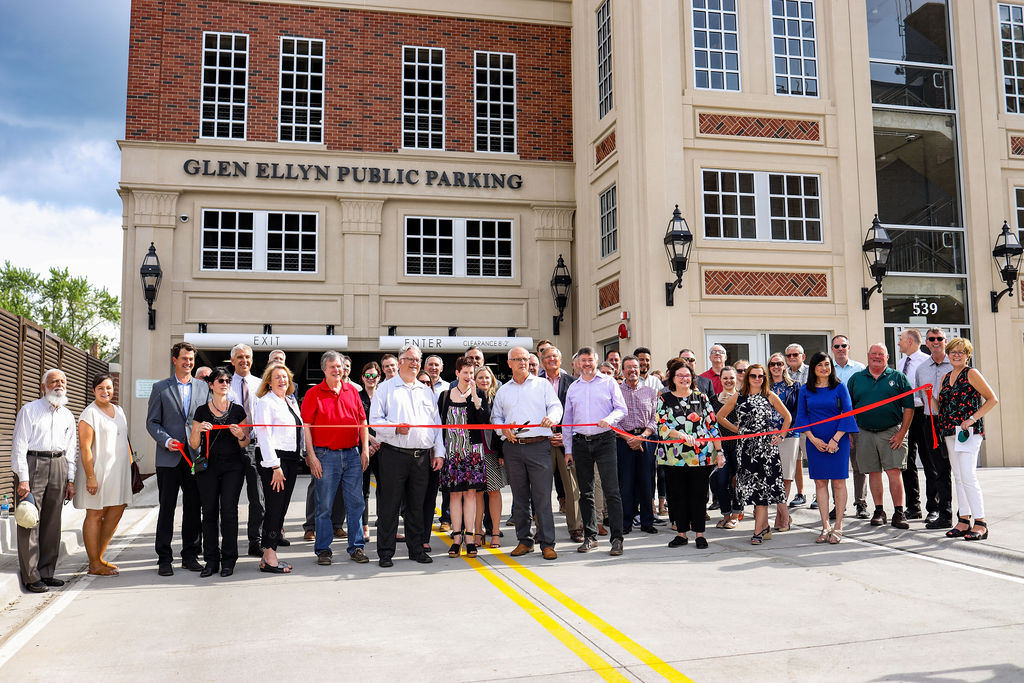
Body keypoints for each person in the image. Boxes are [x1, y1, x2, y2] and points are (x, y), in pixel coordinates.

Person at [369, 344, 445, 567]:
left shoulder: (426, 391)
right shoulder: (386, 388)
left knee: (416, 506)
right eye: (410, 359)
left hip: (421, 457)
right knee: (389, 506)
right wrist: (394, 428)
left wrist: (438, 452)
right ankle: (385, 552)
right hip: (394, 455)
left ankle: (416, 549)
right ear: (400, 361)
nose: (414, 363)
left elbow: (436, 425)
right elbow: (375, 421)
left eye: (417, 360)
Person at [491, 346, 563, 560]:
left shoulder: (542, 385)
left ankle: (548, 543)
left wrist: (552, 418)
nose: (522, 362)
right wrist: (502, 429)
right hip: (513, 448)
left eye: (525, 359)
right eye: (517, 359)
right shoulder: (503, 390)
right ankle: (524, 541)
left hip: (539, 446)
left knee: (542, 498)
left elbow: (556, 406)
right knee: (520, 499)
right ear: (509, 363)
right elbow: (496, 418)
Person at [301, 351, 370, 566]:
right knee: (324, 506)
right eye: (332, 366)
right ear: (324, 369)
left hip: (352, 455)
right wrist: (311, 456)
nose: (336, 370)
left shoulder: (352, 392)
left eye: (339, 366)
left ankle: (356, 547)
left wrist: (365, 449)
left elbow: (362, 422)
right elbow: (307, 427)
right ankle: (323, 549)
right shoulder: (314, 393)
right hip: (325, 455)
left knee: (356, 503)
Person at [12, 369, 77, 592]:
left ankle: (47, 572)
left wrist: (70, 479)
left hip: (59, 464)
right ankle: (31, 577)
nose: (58, 385)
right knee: (29, 520)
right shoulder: (29, 411)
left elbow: (71, 450)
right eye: (53, 382)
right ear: (43, 387)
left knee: (52, 522)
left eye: (62, 381)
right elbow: (19, 446)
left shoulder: (68, 415)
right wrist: (23, 479)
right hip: (34, 464)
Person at [146, 342, 209, 576]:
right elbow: (152, 422)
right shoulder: (160, 388)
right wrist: (165, 440)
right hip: (168, 457)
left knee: (193, 508)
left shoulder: (203, 388)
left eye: (191, 359)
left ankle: (190, 555)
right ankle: (164, 558)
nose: (188, 363)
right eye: (184, 359)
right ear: (175, 360)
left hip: (194, 457)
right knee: (167, 508)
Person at [716, 363, 792, 545]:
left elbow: (787, 417)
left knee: (763, 490)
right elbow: (720, 417)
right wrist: (738, 430)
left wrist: (781, 436)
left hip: (767, 450)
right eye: (753, 376)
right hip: (746, 450)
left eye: (761, 376)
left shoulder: (769, 396)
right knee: (754, 489)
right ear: (747, 377)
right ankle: (763, 527)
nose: (757, 379)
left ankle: (758, 530)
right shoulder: (738, 396)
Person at [563, 346, 627, 555]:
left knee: (612, 491)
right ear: (577, 364)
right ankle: (590, 537)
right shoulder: (573, 388)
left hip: (605, 440)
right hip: (581, 443)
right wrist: (568, 450)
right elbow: (568, 421)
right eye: (583, 361)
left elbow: (621, 409)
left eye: (590, 360)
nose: (587, 364)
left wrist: (608, 420)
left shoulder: (608, 382)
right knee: (585, 492)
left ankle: (617, 539)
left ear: (596, 361)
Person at [189, 366, 249, 577]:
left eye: (227, 381)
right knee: (209, 513)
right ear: (211, 384)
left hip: (233, 467)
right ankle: (211, 560)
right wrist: (198, 429)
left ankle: (229, 560)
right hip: (208, 468)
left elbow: (245, 443)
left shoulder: (238, 410)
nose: (224, 384)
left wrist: (241, 434)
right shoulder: (201, 411)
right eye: (220, 381)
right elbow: (194, 444)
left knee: (229, 512)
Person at [935, 338, 997, 541]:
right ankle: (963, 520)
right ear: (948, 353)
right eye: (953, 351)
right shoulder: (945, 377)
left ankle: (981, 523)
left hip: (968, 433)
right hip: (950, 432)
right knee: (959, 477)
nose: (957, 355)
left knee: (968, 476)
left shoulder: (971, 373)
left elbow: (992, 399)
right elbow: (940, 408)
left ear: (967, 355)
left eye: (962, 352)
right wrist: (930, 397)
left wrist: (972, 419)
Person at [847, 343, 915, 530]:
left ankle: (899, 512)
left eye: (881, 354)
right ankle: (879, 511)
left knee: (894, 471)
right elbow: (848, 409)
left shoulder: (898, 378)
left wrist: (902, 433)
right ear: (868, 355)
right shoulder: (856, 379)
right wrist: (851, 433)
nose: (877, 357)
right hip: (864, 432)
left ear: (888, 357)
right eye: (874, 354)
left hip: (892, 432)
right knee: (873, 472)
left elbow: (909, 407)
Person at [656, 362, 723, 549]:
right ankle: (681, 534)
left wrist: (720, 452)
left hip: (700, 456)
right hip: (674, 456)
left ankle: (700, 534)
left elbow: (712, 426)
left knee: (699, 495)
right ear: (673, 378)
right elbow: (661, 425)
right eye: (680, 375)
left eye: (687, 375)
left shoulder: (701, 397)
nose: (684, 379)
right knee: (677, 495)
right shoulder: (664, 399)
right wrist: (681, 435)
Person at [794, 353, 858, 544]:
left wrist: (835, 439)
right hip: (815, 441)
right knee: (820, 483)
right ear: (813, 368)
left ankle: (838, 526)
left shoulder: (840, 387)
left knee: (838, 482)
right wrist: (813, 440)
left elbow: (848, 413)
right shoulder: (805, 390)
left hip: (838, 440)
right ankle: (824, 526)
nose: (824, 368)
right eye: (820, 365)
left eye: (827, 364)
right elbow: (802, 417)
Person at [74, 372, 133, 577]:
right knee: (95, 514)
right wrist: (90, 476)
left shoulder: (119, 410)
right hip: (97, 472)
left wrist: (131, 465)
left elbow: (124, 439)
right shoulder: (89, 414)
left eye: (108, 387)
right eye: (100, 388)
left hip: (119, 471)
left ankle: (98, 558)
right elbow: (85, 447)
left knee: (116, 510)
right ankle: (93, 563)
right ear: (93, 391)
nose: (105, 391)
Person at [253, 363, 304, 573]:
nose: (283, 380)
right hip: (275, 459)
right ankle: (270, 553)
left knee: (281, 507)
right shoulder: (266, 402)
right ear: (269, 382)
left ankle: (268, 553)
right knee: (274, 507)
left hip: (291, 458)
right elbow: (263, 434)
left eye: (285, 377)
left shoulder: (289, 402)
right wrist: (274, 465)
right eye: (277, 377)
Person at [437, 356, 490, 557]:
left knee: (470, 494)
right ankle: (456, 537)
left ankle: (470, 538)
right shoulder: (444, 396)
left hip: (472, 452)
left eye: (471, 373)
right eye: (465, 372)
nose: (469, 376)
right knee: (454, 494)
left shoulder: (480, 395)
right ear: (457, 373)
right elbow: (439, 425)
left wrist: (476, 397)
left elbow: (484, 421)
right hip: (452, 452)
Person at [226, 343, 268, 558]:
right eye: (240, 357)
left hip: (254, 446)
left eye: (248, 357)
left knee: (257, 498)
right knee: (229, 499)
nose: (244, 360)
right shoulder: (224, 384)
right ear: (232, 361)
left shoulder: (260, 385)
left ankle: (256, 541)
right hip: (230, 448)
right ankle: (228, 544)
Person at [541, 346, 583, 543]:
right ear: (542, 362)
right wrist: (547, 433)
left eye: (555, 356)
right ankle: (541, 530)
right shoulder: (536, 384)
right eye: (547, 357)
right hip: (543, 441)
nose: (551, 359)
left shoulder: (574, 383)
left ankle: (576, 528)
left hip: (568, 443)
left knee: (572, 488)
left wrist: (568, 436)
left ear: (561, 359)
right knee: (541, 488)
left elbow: (579, 414)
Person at [916, 328, 954, 529]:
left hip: (954, 422)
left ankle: (965, 515)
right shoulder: (921, 369)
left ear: (945, 341)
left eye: (940, 338)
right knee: (937, 469)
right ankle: (943, 513)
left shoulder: (956, 366)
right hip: (931, 422)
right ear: (927, 343)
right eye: (932, 339)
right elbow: (922, 399)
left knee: (959, 469)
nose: (936, 341)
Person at [616, 355, 659, 535]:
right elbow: (613, 419)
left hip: (646, 440)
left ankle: (647, 522)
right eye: (629, 367)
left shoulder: (650, 391)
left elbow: (655, 418)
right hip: (623, 441)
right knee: (625, 483)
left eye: (635, 367)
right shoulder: (616, 391)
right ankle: (625, 522)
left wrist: (641, 437)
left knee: (647, 482)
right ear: (623, 371)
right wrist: (629, 439)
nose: (633, 370)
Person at [830, 334, 868, 520]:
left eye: (843, 345)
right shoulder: (828, 370)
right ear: (832, 349)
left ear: (849, 347)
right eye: (836, 346)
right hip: (833, 423)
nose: (840, 348)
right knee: (836, 466)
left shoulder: (860, 369)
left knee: (859, 464)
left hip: (856, 423)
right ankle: (838, 505)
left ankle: (861, 503)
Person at [897, 328, 931, 520]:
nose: (899, 343)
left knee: (928, 460)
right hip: (905, 414)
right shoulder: (902, 362)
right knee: (907, 461)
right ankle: (913, 506)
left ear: (910, 341)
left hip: (922, 413)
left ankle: (933, 506)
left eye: (901, 340)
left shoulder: (925, 361)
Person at [473, 366, 506, 547]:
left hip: (492, 451)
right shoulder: (470, 398)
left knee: (494, 492)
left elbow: (501, 425)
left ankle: (494, 532)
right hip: (474, 452)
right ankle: (478, 531)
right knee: (477, 493)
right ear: (474, 380)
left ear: (492, 380)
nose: (484, 381)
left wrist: (502, 453)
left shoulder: (498, 398)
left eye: (487, 378)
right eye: (480, 378)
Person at [768, 352, 798, 528]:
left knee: (786, 477)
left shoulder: (795, 386)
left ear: (784, 366)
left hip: (788, 436)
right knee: (772, 477)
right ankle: (785, 515)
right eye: (773, 364)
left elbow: (798, 412)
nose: (776, 367)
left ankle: (781, 516)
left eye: (779, 364)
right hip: (767, 437)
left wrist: (783, 432)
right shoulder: (764, 386)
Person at [709, 367, 743, 529]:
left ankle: (736, 515)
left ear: (736, 379)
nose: (728, 381)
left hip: (739, 446)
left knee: (738, 482)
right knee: (720, 482)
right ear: (720, 380)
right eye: (725, 378)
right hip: (720, 447)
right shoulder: (713, 400)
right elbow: (710, 423)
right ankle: (725, 515)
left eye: (731, 378)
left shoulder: (742, 398)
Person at [358, 361, 383, 540]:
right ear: (362, 377)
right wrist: (370, 442)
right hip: (364, 448)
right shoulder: (356, 396)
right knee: (363, 490)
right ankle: (364, 526)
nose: (371, 379)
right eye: (368, 375)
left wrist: (378, 441)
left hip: (383, 448)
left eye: (374, 375)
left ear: (379, 378)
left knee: (385, 489)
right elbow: (355, 422)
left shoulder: (384, 395)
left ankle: (384, 524)